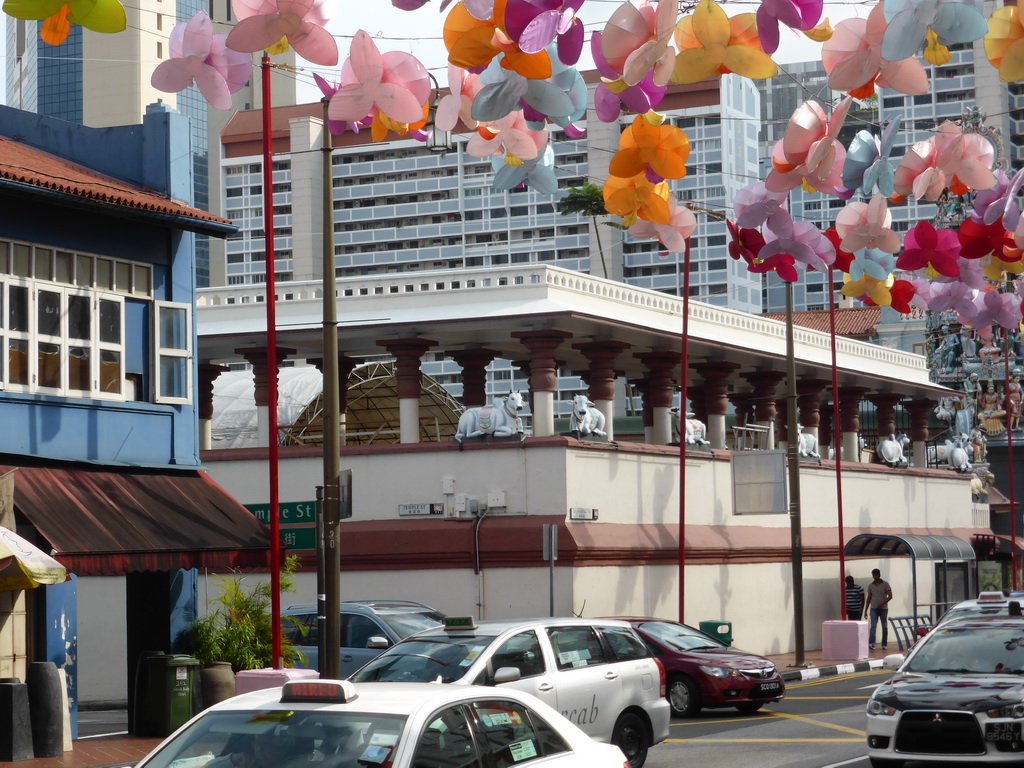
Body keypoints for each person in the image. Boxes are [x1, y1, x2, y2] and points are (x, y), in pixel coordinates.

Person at [867, 569, 893, 651]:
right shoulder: (871, 586)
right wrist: (865, 610)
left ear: (879, 575)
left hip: (883, 609)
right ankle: (871, 643)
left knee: (884, 626)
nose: (875, 577)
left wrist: (882, 604)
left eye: (876, 575)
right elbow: (869, 598)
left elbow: (890, 596)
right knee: (873, 625)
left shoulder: (885, 584)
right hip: (873, 608)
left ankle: (884, 644)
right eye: (874, 575)